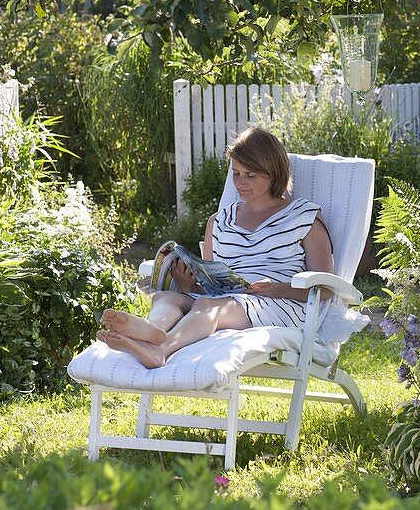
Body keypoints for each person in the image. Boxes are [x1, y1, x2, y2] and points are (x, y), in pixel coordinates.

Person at [97, 126, 334, 369]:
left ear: (274, 172)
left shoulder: (304, 217)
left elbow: (325, 288)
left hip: (279, 306)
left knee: (209, 306)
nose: (241, 183)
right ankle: (151, 331)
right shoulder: (220, 220)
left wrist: (277, 289)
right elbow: (210, 285)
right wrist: (189, 284)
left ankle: (161, 349)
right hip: (227, 299)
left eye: (251, 175)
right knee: (167, 297)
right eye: (236, 173)